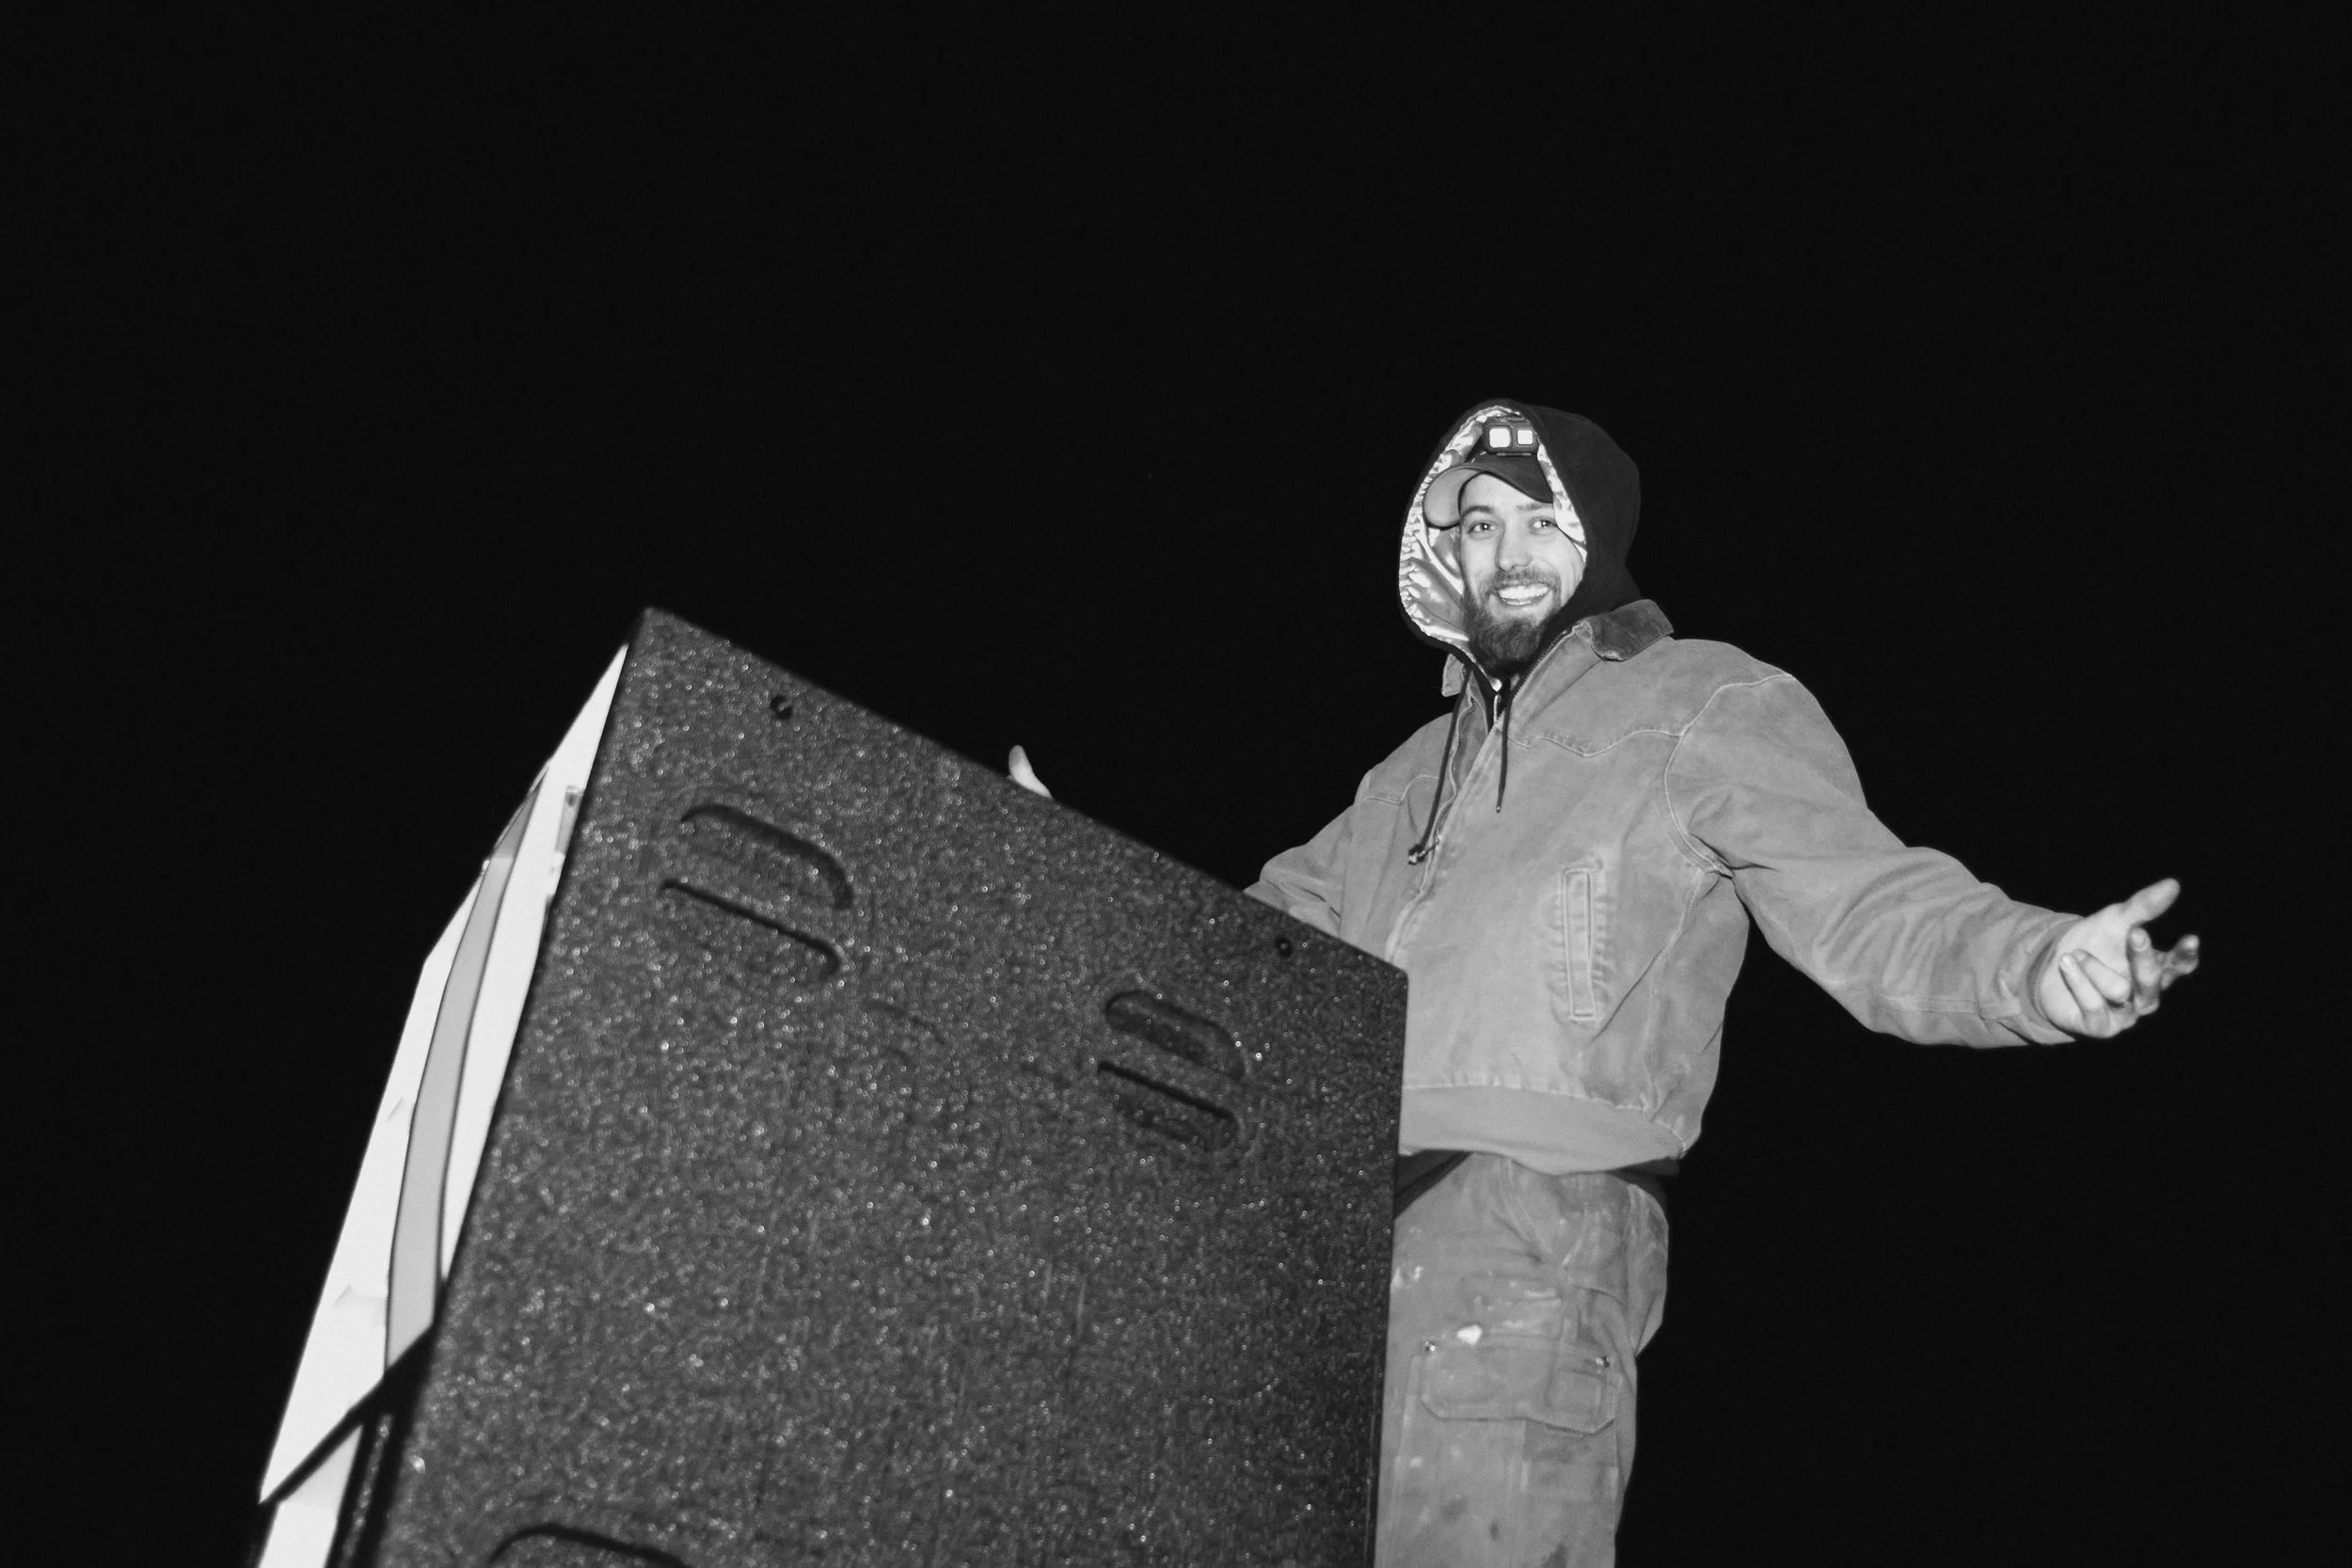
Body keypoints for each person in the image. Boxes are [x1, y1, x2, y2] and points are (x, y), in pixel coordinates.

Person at [1011, 400, 2198, 1567]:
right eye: (1475, 525)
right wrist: (1069, 880)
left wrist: (2037, 964)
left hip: (1525, 1240)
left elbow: (1869, 900)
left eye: (1538, 521)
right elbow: (1245, 953)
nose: (1506, 552)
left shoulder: (1701, 701)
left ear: (1591, 538)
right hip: (1323, 1241)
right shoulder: (1406, 774)